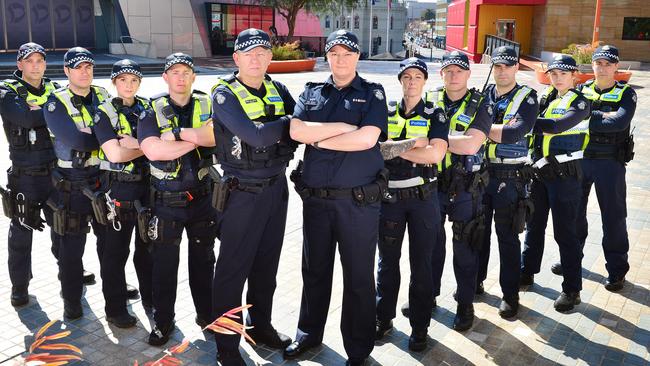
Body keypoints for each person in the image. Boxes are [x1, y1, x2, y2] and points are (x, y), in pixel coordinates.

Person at [285, 29, 388, 366]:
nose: (341, 59)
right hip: (316, 201)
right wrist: (344, 128)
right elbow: (296, 131)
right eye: (334, 53)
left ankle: (358, 350)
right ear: (327, 56)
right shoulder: (312, 91)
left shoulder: (373, 93)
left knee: (358, 277)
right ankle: (308, 334)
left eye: (347, 53)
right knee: (314, 271)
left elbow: (367, 139)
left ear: (358, 57)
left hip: (357, 204)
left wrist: (319, 139)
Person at [209, 28, 296, 365]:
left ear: (270, 57)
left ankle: (261, 327)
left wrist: (282, 130)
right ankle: (227, 348)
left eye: (262, 52)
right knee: (232, 271)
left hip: (276, 188)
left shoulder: (279, 89)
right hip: (241, 193)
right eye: (248, 53)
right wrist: (286, 126)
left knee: (266, 266)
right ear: (236, 59)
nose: (256, 58)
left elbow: (297, 134)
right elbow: (255, 137)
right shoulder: (224, 93)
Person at [138, 53, 217, 346]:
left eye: (186, 72)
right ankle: (163, 321)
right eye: (175, 72)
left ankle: (207, 315)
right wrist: (197, 138)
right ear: (166, 77)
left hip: (203, 199)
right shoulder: (151, 108)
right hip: (166, 202)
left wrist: (174, 136)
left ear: (193, 76)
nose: (181, 77)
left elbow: (218, 139)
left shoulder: (207, 102)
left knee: (204, 261)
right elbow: (153, 151)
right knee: (164, 266)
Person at [374, 58, 448, 351]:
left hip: (423, 200)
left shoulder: (435, 113)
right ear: (400, 80)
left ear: (425, 81)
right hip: (389, 199)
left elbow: (435, 155)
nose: (411, 81)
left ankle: (420, 327)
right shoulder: (386, 110)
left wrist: (396, 147)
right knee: (387, 264)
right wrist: (414, 143)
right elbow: (377, 150)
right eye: (406, 76)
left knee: (422, 265)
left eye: (417, 76)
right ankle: (383, 319)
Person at [550, 45, 637, 292]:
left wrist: (586, 115)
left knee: (614, 216)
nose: (603, 67)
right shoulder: (581, 90)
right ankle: (572, 260)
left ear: (616, 66)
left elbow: (619, 123)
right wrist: (600, 117)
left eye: (608, 63)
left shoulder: (626, 93)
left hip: (611, 163)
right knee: (574, 214)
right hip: (580, 159)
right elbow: (567, 119)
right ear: (593, 65)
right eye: (599, 62)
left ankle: (617, 269)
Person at [425, 51, 493, 331]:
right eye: (448, 71)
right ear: (441, 74)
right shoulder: (428, 101)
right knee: (430, 246)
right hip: (432, 184)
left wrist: (434, 139)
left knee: (465, 248)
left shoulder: (481, 104)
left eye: (459, 71)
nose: (453, 76)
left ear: (468, 74)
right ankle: (427, 297)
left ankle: (465, 304)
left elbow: (471, 145)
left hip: (466, 187)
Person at [43, 47, 111, 319]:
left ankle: (114, 293)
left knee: (110, 243)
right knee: (72, 248)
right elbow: (77, 141)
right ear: (67, 71)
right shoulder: (55, 101)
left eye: (89, 67)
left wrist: (94, 136)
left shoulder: (104, 95)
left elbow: (118, 132)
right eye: (78, 67)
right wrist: (102, 137)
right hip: (72, 183)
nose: (85, 72)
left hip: (103, 179)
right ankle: (71, 299)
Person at [520, 54, 590, 312]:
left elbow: (558, 126)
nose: (557, 77)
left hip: (565, 177)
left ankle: (572, 289)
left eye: (563, 73)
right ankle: (526, 272)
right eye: (553, 73)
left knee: (565, 233)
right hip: (539, 174)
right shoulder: (547, 98)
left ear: (575, 76)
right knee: (533, 226)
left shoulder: (581, 103)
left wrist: (521, 123)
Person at [476, 46, 538, 318]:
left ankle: (510, 295)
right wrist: (494, 131)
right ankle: (474, 283)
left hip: (510, 179)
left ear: (516, 68)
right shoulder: (480, 95)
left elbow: (515, 132)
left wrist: (477, 129)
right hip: (480, 175)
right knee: (476, 234)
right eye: (498, 66)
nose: (502, 71)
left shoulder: (528, 97)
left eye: (507, 66)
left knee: (507, 238)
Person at [92, 59, 153, 327]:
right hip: (117, 188)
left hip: (148, 186)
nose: (128, 85)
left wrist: (136, 144)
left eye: (134, 80)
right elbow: (114, 153)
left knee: (147, 248)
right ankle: (115, 308)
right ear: (114, 83)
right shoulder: (102, 112)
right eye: (122, 80)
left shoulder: (149, 108)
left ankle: (151, 299)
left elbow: (159, 144)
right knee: (115, 252)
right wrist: (148, 147)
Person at [0, 43, 60, 306]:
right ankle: (20, 287)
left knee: (66, 229)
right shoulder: (6, 90)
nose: (35, 65)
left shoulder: (57, 87)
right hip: (25, 176)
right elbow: (26, 119)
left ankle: (72, 272)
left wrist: (38, 109)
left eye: (40, 60)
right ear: (20, 65)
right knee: (21, 233)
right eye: (30, 61)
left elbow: (62, 117)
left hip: (56, 174)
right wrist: (51, 111)